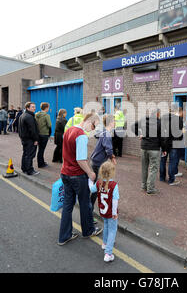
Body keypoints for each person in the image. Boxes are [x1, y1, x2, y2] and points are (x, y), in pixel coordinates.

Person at [58, 111, 102, 246]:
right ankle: (88, 230)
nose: (93, 131)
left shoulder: (69, 129)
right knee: (85, 204)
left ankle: (64, 236)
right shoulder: (82, 136)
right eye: (94, 127)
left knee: (67, 205)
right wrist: (90, 173)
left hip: (65, 172)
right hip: (77, 175)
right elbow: (81, 160)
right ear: (89, 122)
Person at [89, 161, 119, 262]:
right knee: (112, 230)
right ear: (112, 172)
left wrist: (89, 180)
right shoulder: (114, 185)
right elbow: (115, 201)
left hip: (103, 211)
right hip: (111, 212)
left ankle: (105, 243)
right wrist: (114, 213)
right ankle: (108, 253)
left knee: (106, 226)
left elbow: (91, 189)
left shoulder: (99, 183)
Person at [133, 109, 168, 195]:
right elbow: (163, 138)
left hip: (144, 147)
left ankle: (144, 186)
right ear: (158, 114)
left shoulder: (144, 120)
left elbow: (134, 126)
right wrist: (164, 149)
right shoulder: (160, 123)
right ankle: (150, 188)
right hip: (154, 148)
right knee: (153, 168)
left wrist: (139, 134)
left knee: (144, 167)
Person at [90, 114, 116, 218]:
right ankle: (89, 209)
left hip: (95, 160)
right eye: (114, 121)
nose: (115, 123)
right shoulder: (107, 134)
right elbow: (108, 148)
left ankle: (90, 206)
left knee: (97, 184)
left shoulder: (103, 131)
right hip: (99, 162)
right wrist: (112, 157)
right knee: (98, 185)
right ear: (110, 122)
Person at [160, 103, 184, 186]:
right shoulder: (178, 119)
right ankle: (171, 180)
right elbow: (180, 133)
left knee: (162, 161)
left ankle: (162, 178)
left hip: (163, 144)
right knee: (172, 162)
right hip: (174, 144)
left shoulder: (162, 118)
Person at [18, 102, 40, 176]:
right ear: (27, 108)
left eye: (34, 106)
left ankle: (24, 168)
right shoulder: (29, 117)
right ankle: (29, 170)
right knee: (30, 155)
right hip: (30, 139)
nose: (34, 108)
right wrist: (36, 140)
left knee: (25, 153)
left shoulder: (22, 115)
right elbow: (33, 130)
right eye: (33, 107)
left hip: (24, 139)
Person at [35, 102, 52, 168]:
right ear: (46, 108)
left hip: (38, 134)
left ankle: (41, 161)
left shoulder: (36, 115)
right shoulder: (46, 116)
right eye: (48, 107)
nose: (48, 109)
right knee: (42, 150)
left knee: (40, 149)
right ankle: (41, 164)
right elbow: (49, 125)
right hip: (44, 134)